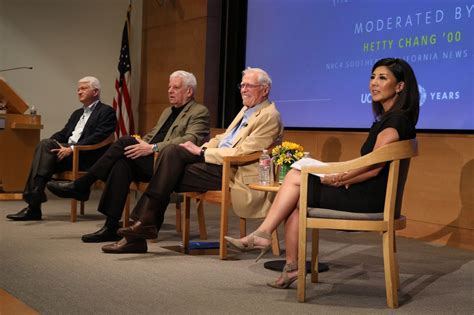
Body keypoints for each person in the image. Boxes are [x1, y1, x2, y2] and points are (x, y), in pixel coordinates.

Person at [225, 58, 420, 289]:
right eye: (372, 77)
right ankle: (289, 266)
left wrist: (339, 178)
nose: (374, 83)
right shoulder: (393, 119)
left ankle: (264, 235)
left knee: (296, 178)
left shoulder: (395, 121)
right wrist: (340, 175)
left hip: (368, 200)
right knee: (296, 196)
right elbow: (370, 165)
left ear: (400, 86)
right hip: (368, 194)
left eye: (382, 78)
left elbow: (373, 167)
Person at [100, 67, 283, 254]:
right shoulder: (247, 109)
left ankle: (142, 227)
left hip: (232, 169)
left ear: (265, 89)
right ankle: (144, 225)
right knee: (172, 153)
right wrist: (202, 149)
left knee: (168, 170)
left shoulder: (269, 116)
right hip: (214, 161)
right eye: (242, 85)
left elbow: (243, 152)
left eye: (249, 86)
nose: (243, 89)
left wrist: (202, 153)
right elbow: (222, 139)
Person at [47, 70, 210, 243]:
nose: (170, 90)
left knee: (123, 142)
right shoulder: (167, 111)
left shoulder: (199, 111)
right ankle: (110, 226)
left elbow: (189, 140)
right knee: (122, 163)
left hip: (168, 165)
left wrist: (152, 148)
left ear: (189, 91)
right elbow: (152, 135)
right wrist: (141, 144)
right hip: (149, 160)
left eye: (175, 87)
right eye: (169, 87)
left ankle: (83, 184)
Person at [6, 76, 117, 221]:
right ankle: (34, 203)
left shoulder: (106, 111)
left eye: (83, 88)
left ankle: (33, 205)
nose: (79, 92)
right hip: (65, 154)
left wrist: (72, 148)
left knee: (44, 149)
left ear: (95, 92)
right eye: (78, 89)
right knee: (44, 146)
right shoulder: (78, 113)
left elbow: (99, 137)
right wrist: (52, 141)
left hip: (85, 156)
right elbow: (64, 134)